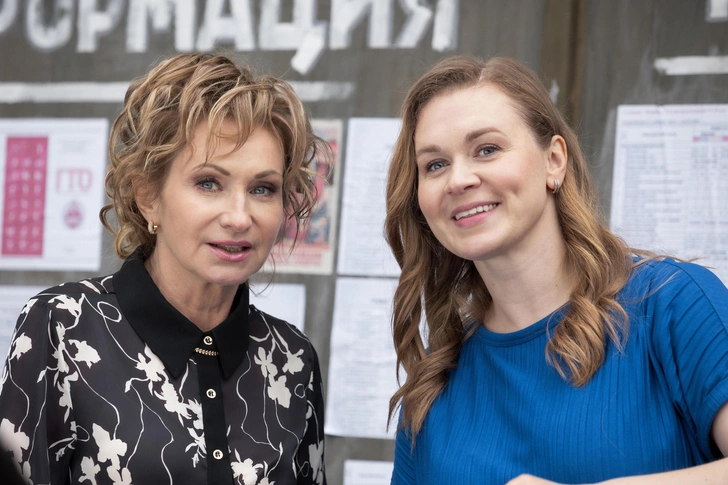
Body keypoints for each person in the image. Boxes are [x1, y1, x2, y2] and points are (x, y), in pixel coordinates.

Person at [385, 55, 728, 484]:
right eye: (435, 165)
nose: (459, 180)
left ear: (554, 161)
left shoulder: (674, 305)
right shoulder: (432, 389)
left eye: (487, 149)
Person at [0, 53, 328, 485]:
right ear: (147, 196)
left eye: (263, 189)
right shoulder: (63, 325)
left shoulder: (292, 357)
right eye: (208, 183)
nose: (239, 216)